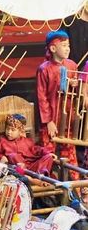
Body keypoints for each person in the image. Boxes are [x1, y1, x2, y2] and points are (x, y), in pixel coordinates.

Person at [36, 30, 83, 182]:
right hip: (51, 118)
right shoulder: (44, 68)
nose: (67, 48)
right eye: (63, 45)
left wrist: (76, 85)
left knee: (70, 152)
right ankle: (47, 184)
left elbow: (78, 93)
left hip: (67, 117)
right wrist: (48, 121)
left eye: (68, 45)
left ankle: (76, 186)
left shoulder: (72, 65)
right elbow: (42, 97)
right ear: (53, 48)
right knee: (48, 153)